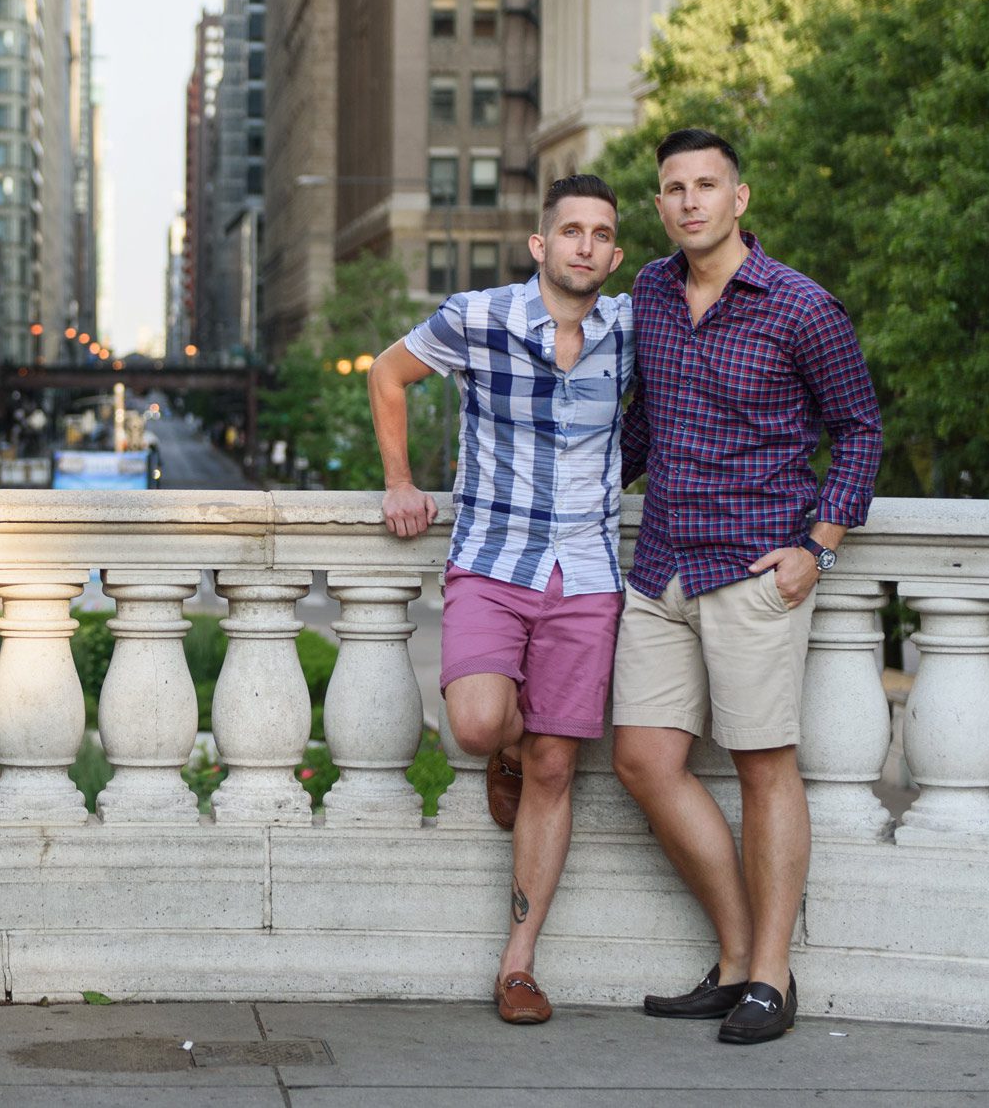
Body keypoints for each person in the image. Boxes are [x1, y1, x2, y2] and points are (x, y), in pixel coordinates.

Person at [614, 128, 882, 1045]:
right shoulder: (648, 292)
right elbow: (639, 424)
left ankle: (772, 975)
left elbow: (860, 431)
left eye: (706, 185)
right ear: (659, 205)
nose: (689, 201)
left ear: (741, 198)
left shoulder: (803, 308)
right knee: (645, 759)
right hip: (661, 566)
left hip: (756, 567)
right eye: (672, 188)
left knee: (766, 765)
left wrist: (821, 543)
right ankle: (736, 960)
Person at [368, 174, 635, 1026]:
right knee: (478, 724)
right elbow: (387, 371)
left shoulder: (632, 329)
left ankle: (517, 964)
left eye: (601, 234)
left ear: (615, 253)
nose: (585, 245)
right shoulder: (478, 317)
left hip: (588, 574)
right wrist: (400, 481)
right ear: (540, 244)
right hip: (492, 560)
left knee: (560, 763)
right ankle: (506, 753)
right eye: (571, 231)